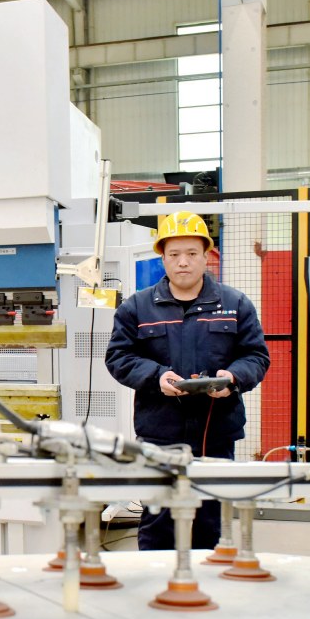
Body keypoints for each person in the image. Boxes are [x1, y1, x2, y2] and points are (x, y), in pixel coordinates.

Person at [105, 211, 270, 550]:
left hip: (216, 432)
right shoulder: (137, 308)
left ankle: (203, 591)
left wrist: (233, 377)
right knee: (158, 515)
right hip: (160, 432)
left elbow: (256, 356)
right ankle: (157, 587)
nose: (183, 262)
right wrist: (156, 377)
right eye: (174, 254)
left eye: (192, 254)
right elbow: (119, 358)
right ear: (162, 258)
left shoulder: (235, 304)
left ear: (207, 256)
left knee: (210, 518)